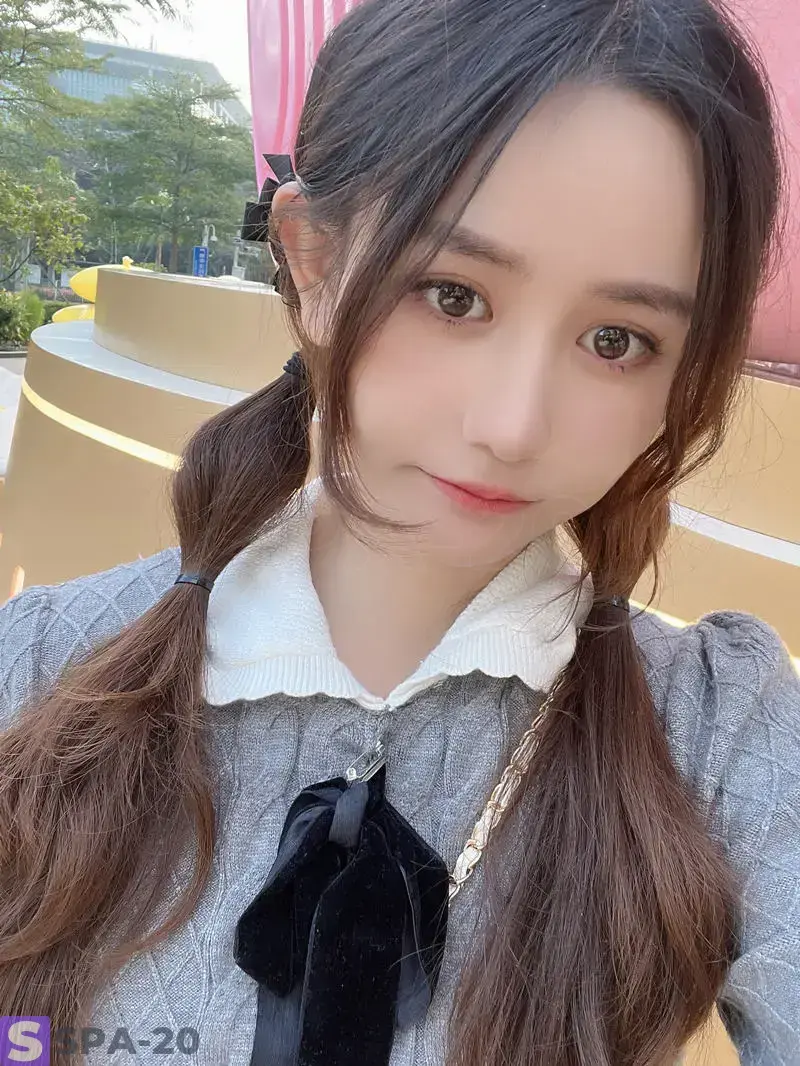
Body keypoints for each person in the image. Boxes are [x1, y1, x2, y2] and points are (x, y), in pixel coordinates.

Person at [0, 0, 798, 1063]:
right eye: (452, 295)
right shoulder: (41, 672)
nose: (511, 426)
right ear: (313, 264)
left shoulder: (717, 734)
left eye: (617, 339)